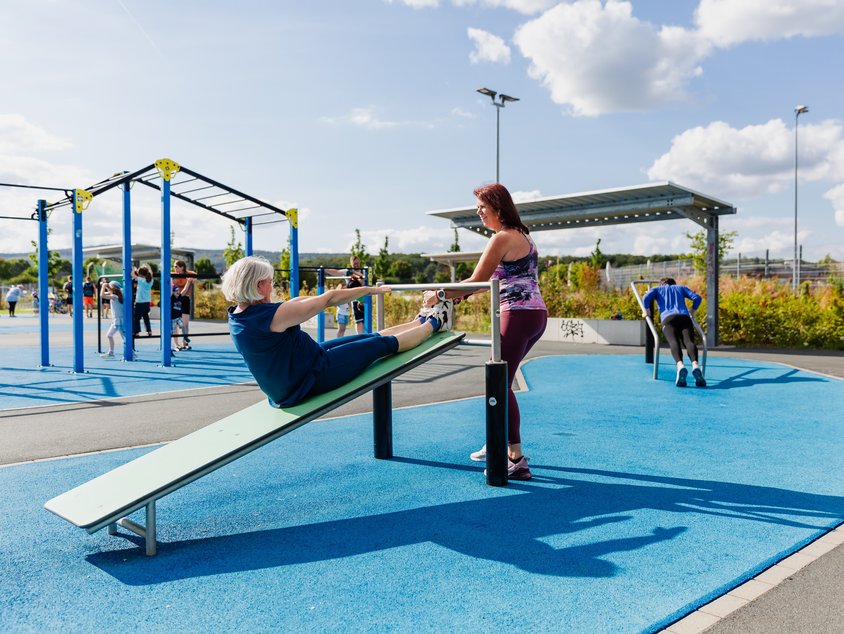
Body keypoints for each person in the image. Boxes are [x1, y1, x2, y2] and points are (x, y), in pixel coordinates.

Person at [423, 183, 547, 481]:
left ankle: (515, 457)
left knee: (499, 382)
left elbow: (478, 280)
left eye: (482, 207)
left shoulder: (502, 238)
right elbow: (481, 282)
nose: (478, 212)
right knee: (500, 380)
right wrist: (453, 294)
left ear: (498, 207)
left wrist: (439, 294)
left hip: (517, 314)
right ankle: (500, 441)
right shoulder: (522, 235)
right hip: (535, 314)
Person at [221, 256, 451, 409]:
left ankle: (421, 319)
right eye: (270, 282)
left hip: (302, 366)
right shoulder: (270, 317)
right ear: (259, 285)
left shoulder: (239, 314)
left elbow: (300, 301)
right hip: (307, 379)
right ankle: (437, 321)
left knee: (369, 337)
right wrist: (372, 290)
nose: (272, 286)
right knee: (381, 345)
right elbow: (328, 298)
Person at [642, 277, 706, 388]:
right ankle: (695, 365)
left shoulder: (657, 289)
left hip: (668, 318)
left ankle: (680, 365)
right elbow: (697, 298)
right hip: (684, 317)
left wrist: (646, 310)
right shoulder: (681, 288)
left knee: (673, 341)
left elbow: (646, 297)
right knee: (689, 341)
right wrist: (693, 310)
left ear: (661, 283)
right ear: (673, 283)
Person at [172, 260, 196, 348]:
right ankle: (176, 344)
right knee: (175, 323)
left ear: (182, 267)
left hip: (185, 299)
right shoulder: (173, 275)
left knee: (185, 323)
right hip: (176, 299)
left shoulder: (189, 273)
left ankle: (185, 343)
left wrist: (190, 278)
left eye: (176, 266)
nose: (174, 268)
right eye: (174, 266)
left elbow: (195, 277)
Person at [100, 281, 124, 358]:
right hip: (118, 319)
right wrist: (107, 286)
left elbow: (102, 295)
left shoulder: (114, 296)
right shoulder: (119, 294)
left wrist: (104, 286)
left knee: (123, 337)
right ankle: (111, 352)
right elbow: (110, 291)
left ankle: (131, 353)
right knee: (111, 335)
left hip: (118, 320)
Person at [132, 265, 154, 338]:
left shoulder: (141, 280)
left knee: (136, 318)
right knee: (146, 317)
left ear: (140, 274)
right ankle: (149, 330)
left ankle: (136, 332)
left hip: (140, 302)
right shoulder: (150, 280)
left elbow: (132, 274)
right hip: (147, 302)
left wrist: (134, 268)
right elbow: (151, 273)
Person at [170, 285, 186, 351]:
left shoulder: (179, 297)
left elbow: (184, 291)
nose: (177, 292)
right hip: (172, 318)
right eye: (176, 291)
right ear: (173, 292)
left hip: (178, 317)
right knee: (173, 332)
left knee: (183, 326)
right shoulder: (171, 298)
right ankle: (175, 345)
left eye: (178, 291)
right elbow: (171, 290)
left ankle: (185, 337)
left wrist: (188, 282)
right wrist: (170, 281)